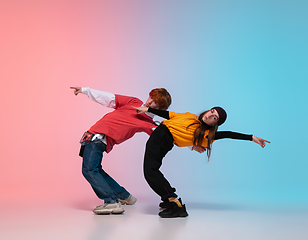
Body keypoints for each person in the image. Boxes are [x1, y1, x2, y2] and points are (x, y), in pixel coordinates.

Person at [132, 105, 270, 218]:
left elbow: (228, 134)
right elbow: (169, 115)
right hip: (158, 136)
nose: (209, 116)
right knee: (152, 171)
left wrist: (251, 137)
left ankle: (174, 203)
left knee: (150, 172)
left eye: (214, 117)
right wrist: (148, 110)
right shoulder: (190, 116)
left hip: (162, 140)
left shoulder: (206, 134)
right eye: (211, 112)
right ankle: (169, 201)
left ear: (215, 124)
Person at [71, 86, 172, 215]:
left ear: (160, 109)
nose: (149, 102)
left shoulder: (148, 123)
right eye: (151, 98)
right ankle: (124, 196)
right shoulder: (134, 102)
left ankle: (111, 202)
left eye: (155, 103)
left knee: (89, 170)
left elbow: (165, 135)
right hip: (92, 137)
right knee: (96, 170)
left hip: (98, 140)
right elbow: (110, 98)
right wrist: (86, 90)